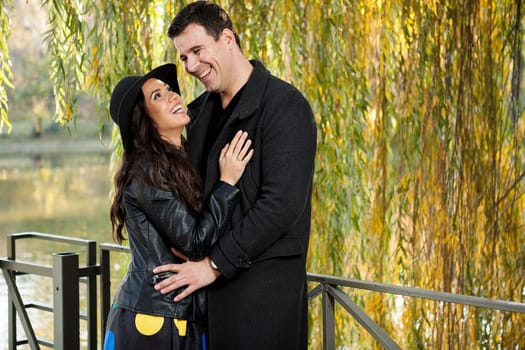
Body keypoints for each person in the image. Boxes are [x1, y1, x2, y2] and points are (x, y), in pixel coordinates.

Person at [153, 2, 317, 349]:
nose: (191, 66)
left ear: (227, 38)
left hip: (262, 306)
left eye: (197, 50)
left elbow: (280, 207)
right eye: (184, 58)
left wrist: (212, 265)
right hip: (201, 308)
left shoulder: (285, 107)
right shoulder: (196, 114)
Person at [104, 63, 253, 350]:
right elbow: (195, 242)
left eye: (170, 90)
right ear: (142, 120)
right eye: (157, 96)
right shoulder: (148, 172)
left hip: (181, 317)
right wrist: (228, 182)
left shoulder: (180, 163)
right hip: (153, 320)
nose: (173, 96)